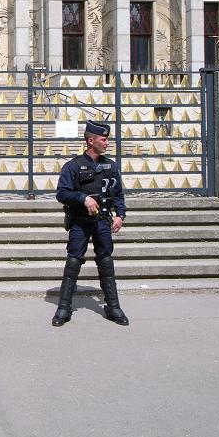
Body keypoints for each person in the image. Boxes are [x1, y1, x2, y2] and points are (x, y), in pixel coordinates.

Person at [53, 119, 129, 327]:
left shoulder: (110, 167)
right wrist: (83, 198)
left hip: (103, 222)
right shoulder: (73, 167)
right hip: (80, 222)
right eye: (103, 139)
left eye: (107, 139)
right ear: (90, 140)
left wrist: (120, 215)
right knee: (74, 261)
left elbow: (118, 194)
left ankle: (113, 306)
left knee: (106, 261)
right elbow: (62, 193)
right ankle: (64, 307)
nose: (106, 143)